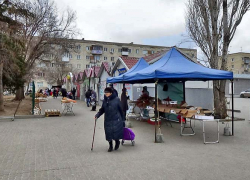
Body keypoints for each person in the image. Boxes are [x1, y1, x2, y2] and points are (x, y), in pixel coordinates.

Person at [95, 87, 125, 152]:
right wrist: (97, 115)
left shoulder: (117, 99)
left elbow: (121, 110)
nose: (106, 94)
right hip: (108, 119)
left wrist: (123, 119)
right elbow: (102, 109)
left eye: (107, 92)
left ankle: (117, 142)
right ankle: (110, 146)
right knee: (108, 133)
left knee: (116, 133)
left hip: (116, 119)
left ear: (111, 93)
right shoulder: (105, 100)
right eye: (105, 92)